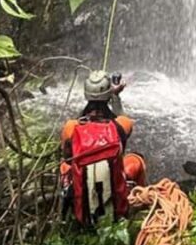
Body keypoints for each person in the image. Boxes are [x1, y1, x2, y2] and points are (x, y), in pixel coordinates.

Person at [59, 71, 147, 225]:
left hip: (83, 216)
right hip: (117, 212)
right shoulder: (119, 126)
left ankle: (70, 211)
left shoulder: (71, 128)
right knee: (136, 160)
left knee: (64, 166)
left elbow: (67, 157)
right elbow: (123, 117)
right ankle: (140, 202)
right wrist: (115, 96)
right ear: (107, 96)